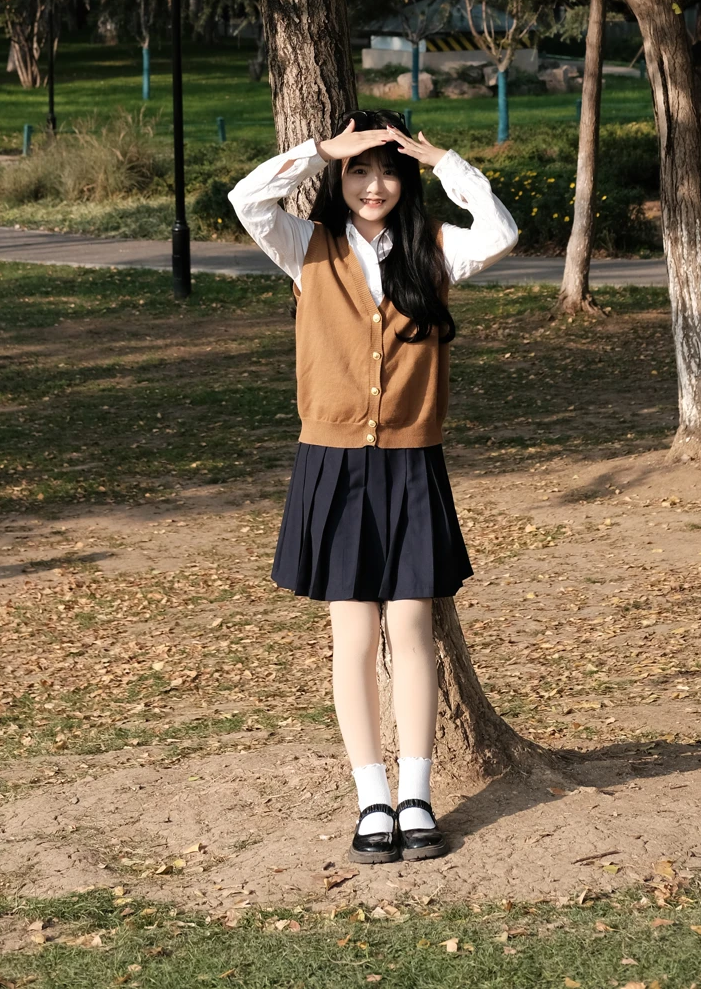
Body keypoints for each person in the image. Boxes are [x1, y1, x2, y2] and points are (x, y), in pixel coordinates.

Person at [228, 110, 518, 866]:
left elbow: (501, 231)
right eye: (360, 170)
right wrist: (321, 149)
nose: (374, 184)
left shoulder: (434, 251)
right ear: (340, 177)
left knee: (412, 631)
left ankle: (417, 795)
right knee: (354, 639)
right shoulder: (305, 246)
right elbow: (246, 198)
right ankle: (372, 799)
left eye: (389, 169)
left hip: (412, 462)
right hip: (332, 464)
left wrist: (446, 160)